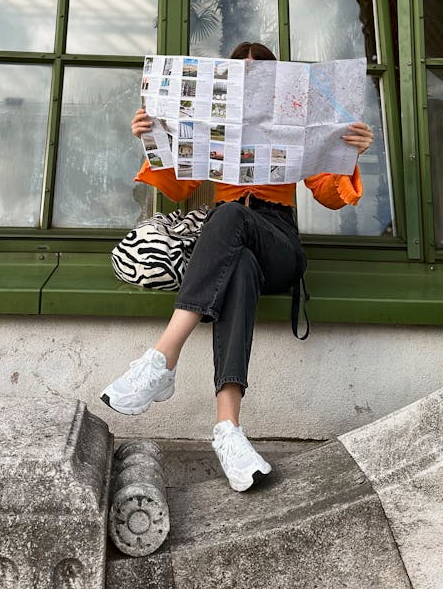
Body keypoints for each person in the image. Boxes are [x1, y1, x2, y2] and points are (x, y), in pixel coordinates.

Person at [101, 42, 373, 492]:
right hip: (230, 242)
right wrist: (152, 138)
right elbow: (177, 186)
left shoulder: (290, 118)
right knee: (239, 265)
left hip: (279, 239)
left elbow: (328, 192)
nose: (249, 73)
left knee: (227, 216)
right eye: (240, 68)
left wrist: (352, 153)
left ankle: (163, 357)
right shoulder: (213, 120)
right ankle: (229, 432)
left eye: (258, 69)